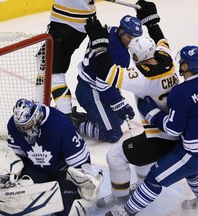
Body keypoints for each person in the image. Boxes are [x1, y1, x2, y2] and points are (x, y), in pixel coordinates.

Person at [83, 0, 181, 208]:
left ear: (137, 56)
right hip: (176, 130)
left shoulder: (143, 79)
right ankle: (143, 184)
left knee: (116, 156)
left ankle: (121, 198)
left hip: (161, 137)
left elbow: (109, 74)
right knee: (140, 153)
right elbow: (161, 38)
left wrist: (100, 46)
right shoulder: (169, 59)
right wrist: (152, 22)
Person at [105, 45, 198, 216]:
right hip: (191, 148)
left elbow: (173, 129)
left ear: (187, 66)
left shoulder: (181, 92)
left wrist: (152, 113)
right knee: (192, 173)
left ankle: (127, 212)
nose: (180, 66)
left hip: (193, 153)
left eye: (183, 63)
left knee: (155, 179)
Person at [6, 98, 103, 215]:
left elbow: (80, 161)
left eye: (28, 125)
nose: (24, 130)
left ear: (36, 116)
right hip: (36, 169)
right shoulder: (13, 125)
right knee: (16, 203)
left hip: (63, 172)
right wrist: (14, 170)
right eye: (21, 127)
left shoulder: (61, 125)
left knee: (67, 212)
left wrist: (83, 179)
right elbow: (18, 156)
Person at [74, 15, 142, 143]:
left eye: (134, 38)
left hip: (91, 86)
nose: (131, 41)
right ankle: (74, 121)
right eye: (129, 37)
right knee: (113, 134)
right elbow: (103, 84)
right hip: (90, 91)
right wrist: (119, 102)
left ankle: (92, 117)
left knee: (118, 120)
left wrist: (118, 102)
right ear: (121, 31)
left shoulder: (109, 30)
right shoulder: (120, 53)